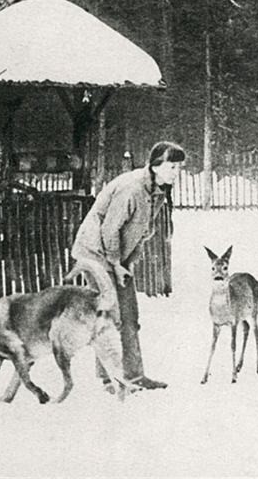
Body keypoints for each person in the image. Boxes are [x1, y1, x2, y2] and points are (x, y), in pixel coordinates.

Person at [68, 140, 185, 391]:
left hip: (117, 255)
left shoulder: (157, 191)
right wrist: (114, 263)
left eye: (179, 168)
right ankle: (110, 378)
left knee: (130, 316)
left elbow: (141, 232)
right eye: (172, 167)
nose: (177, 173)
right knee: (112, 317)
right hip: (96, 253)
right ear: (156, 166)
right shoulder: (132, 189)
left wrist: (127, 263)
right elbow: (109, 230)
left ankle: (134, 375)